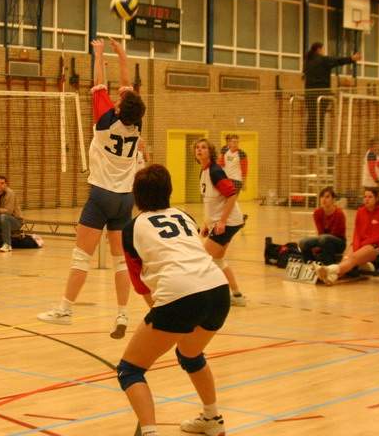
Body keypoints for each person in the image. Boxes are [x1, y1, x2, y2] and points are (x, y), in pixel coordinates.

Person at [37, 38, 146, 338]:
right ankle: (122, 312)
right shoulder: (137, 124)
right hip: (125, 198)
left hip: (101, 195)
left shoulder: (105, 121)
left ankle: (65, 309)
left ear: (119, 108)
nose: (118, 97)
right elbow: (126, 85)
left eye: (119, 100)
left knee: (81, 256)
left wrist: (98, 55)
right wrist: (122, 55)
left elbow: (99, 84)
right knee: (120, 260)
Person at [117, 164, 230, 436]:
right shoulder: (184, 215)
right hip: (217, 288)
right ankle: (212, 418)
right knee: (190, 354)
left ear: (136, 196)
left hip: (180, 294)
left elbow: (140, 285)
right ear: (169, 191)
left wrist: (165, 320)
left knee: (129, 370)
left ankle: (150, 432)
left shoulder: (132, 229)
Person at [195, 138, 247, 307]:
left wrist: (222, 221)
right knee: (217, 260)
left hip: (229, 222)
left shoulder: (215, 171)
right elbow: (210, 202)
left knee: (203, 258)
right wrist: (206, 224)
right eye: (197, 147)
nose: (199, 150)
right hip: (223, 222)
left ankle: (206, 297)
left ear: (210, 152)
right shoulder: (203, 171)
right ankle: (236, 295)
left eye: (203, 147)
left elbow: (231, 195)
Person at [316, 188, 379, 285]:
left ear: (376, 198)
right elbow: (357, 233)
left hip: (376, 246)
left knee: (353, 258)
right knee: (346, 258)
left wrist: (362, 246)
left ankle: (328, 270)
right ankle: (332, 277)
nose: (367, 199)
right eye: (365, 197)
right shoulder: (360, 211)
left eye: (370, 197)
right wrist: (356, 245)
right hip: (361, 244)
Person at [303, 42, 360, 149]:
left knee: (312, 118)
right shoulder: (323, 60)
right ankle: (317, 144)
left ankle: (310, 144)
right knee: (320, 119)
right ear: (319, 49)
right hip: (321, 94)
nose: (324, 51)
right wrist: (351, 58)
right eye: (323, 49)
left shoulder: (307, 62)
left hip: (309, 95)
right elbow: (337, 61)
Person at [298, 187, 346, 265]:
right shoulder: (317, 213)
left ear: (333, 200)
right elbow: (320, 232)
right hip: (322, 239)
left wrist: (319, 246)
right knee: (303, 242)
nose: (324, 199)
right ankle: (311, 264)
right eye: (322, 196)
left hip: (338, 242)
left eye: (327, 197)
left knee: (324, 239)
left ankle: (329, 266)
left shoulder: (339, 213)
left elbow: (334, 233)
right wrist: (318, 244)